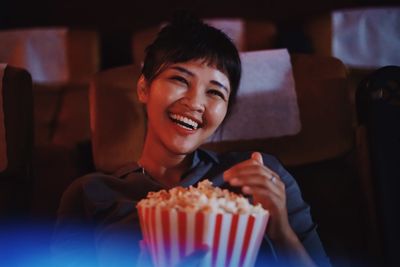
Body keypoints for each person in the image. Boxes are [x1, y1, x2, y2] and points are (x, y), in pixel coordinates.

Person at [52, 12, 331, 267]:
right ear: (143, 88)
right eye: (180, 80)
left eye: (215, 93)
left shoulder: (263, 177)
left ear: (226, 112)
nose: (195, 102)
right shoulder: (91, 194)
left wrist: (280, 230)